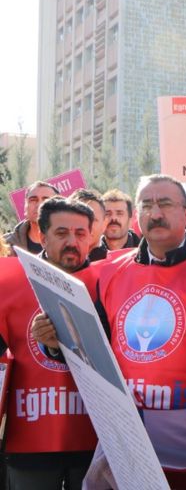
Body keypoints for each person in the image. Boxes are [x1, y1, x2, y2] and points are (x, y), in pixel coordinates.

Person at [35, 175, 186, 489]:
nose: (155, 213)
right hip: (128, 450)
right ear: (137, 215)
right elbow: (87, 350)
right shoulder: (109, 272)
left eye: (165, 204)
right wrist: (53, 342)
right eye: (146, 205)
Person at [3, 197, 99, 490]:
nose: (72, 241)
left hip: (94, 443)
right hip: (30, 441)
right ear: (42, 237)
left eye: (80, 233)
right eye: (61, 233)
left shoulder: (106, 282)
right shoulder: (8, 281)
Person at [4, 181, 60, 255]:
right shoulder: (5, 245)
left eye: (46, 200)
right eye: (33, 200)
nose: (39, 205)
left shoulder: (69, 242)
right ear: (25, 207)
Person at [68, 189, 107, 261]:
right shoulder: (49, 266)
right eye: (79, 219)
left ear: (104, 225)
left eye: (93, 220)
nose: (86, 226)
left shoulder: (118, 267)